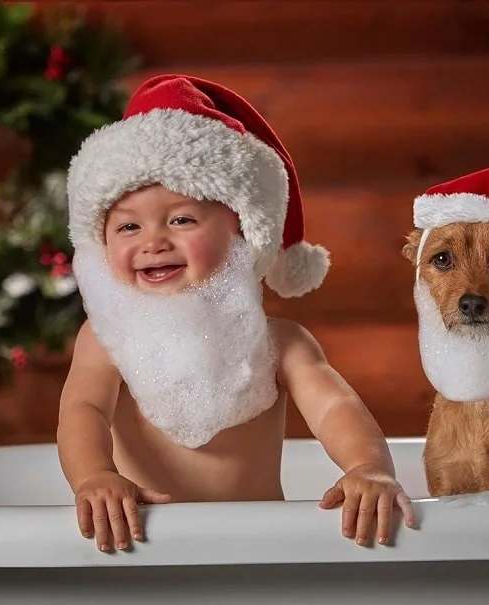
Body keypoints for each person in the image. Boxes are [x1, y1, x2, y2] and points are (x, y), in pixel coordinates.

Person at [57, 74, 415, 553]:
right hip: (141, 547)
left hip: (259, 547)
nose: (153, 241)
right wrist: (96, 476)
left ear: (242, 232)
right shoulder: (106, 338)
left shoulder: (280, 342)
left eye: (181, 219)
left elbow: (334, 407)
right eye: (127, 226)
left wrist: (367, 467)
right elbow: (83, 410)